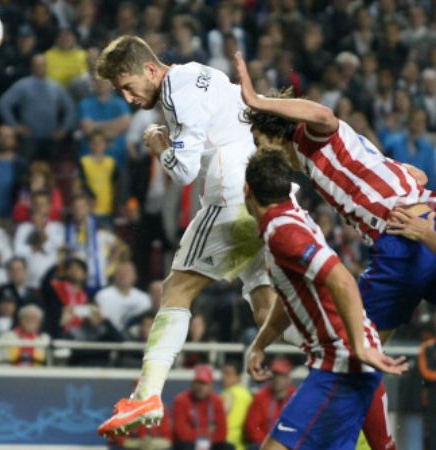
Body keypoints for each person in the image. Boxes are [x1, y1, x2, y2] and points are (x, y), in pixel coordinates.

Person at [235, 50, 435, 449]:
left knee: (357, 350)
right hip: (425, 222)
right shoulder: (324, 164)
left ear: (278, 132)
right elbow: (404, 175)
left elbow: (324, 114)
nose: (260, 153)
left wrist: (257, 101)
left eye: (260, 142)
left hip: (402, 246)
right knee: (364, 350)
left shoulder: (310, 138)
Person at [94, 35, 275, 435]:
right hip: (264, 191)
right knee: (268, 309)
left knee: (176, 289)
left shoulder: (175, 91)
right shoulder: (199, 74)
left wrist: (160, 144)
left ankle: (146, 395)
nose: (127, 98)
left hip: (231, 195)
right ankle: (344, 357)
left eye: (127, 86)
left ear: (150, 70)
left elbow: (184, 172)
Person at [242, 149, 407, 450]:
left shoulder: (283, 233)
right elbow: (290, 296)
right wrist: (260, 344)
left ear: (246, 191)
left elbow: (341, 279)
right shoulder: (288, 217)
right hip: (345, 361)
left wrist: (358, 346)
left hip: (340, 363)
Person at [171, 364, 230, 450]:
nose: (199, 387)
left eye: (204, 384)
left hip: (211, 443)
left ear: (211, 386)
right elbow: (181, 433)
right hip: (188, 444)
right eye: (197, 383)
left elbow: (222, 433)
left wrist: (194, 431)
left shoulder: (217, 401)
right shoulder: (181, 400)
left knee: (228, 447)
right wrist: (208, 432)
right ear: (192, 384)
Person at [243, 358, 296, 449]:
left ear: (288, 378)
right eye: (274, 375)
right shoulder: (260, 397)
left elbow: (301, 428)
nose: (277, 379)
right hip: (264, 444)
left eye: (281, 376)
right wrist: (270, 445)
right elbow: (252, 427)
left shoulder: (296, 397)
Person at [221, 361, 252, 450]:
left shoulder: (233, 394)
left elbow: (232, 424)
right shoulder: (246, 394)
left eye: (228, 374)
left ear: (238, 377)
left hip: (230, 443)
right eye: (223, 373)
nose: (224, 377)